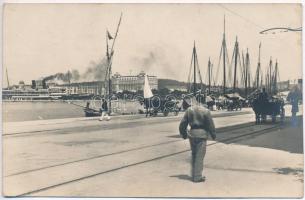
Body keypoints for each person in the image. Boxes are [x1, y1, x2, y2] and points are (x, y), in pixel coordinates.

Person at [179, 97, 216, 183]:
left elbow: (183, 124)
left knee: (194, 154)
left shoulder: (189, 110)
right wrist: (213, 134)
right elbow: (210, 124)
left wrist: (184, 134)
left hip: (192, 134)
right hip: (202, 134)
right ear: (204, 102)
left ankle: (194, 174)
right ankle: (197, 177)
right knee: (199, 156)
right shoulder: (206, 111)